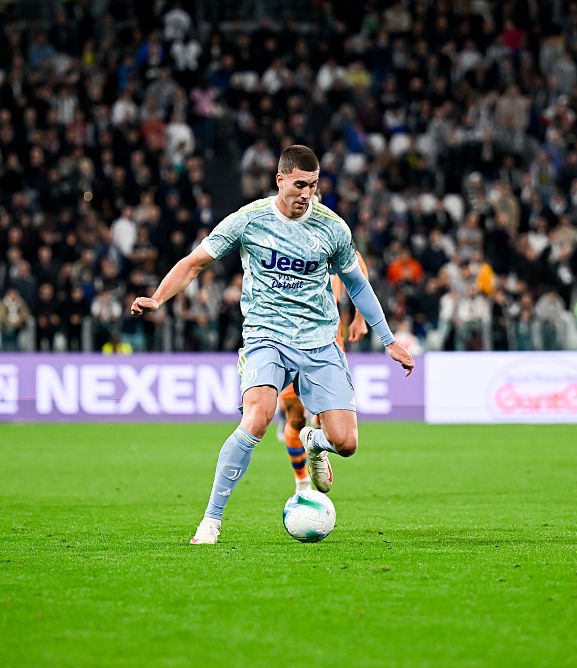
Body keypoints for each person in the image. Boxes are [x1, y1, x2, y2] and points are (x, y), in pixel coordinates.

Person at [131, 145, 414, 544]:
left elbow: (357, 283)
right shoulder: (249, 221)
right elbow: (194, 262)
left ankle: (313, 442)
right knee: (258, 418)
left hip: (319, 341)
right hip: (267, 336)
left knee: (346, 444)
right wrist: (158, 298)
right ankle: (211, 521)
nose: (306, 194)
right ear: (280, 179)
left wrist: (389, 341)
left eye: (313, 186)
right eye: (299, 185)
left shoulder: (332, 228)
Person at [279, 250, 369, 494]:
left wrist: (360, 317)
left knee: (325, 419)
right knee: (295, 418)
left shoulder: (330, 237)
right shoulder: (279, 241)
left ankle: (316, 445)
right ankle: (301, 483)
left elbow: (358, 266)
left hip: (328, 344)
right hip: (286, 342)